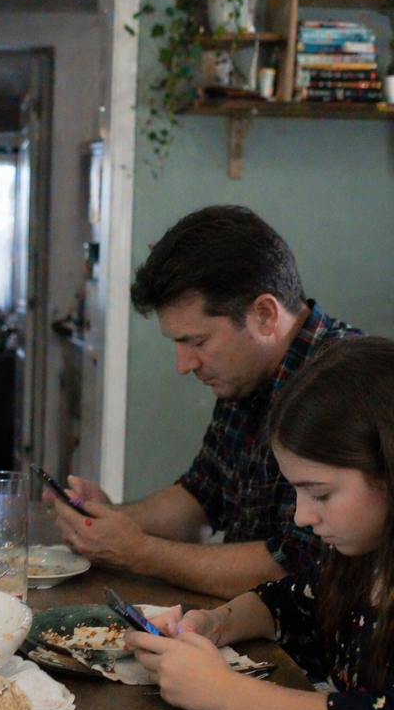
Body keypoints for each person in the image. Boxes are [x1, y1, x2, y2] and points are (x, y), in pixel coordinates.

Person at [51, 205, 360, 598]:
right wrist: (109, 521)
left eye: (197, 342)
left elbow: (295, 567)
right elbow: (202, 496)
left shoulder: (343, 386)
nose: (185, 364)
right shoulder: (246, 372)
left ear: (264, 315)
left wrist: (138, 552)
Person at [128, 337, 394, 710]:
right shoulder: (362, 556)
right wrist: (218, 622)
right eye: (295, 491)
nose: (302, 516)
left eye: (320, 493)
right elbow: (291, 600)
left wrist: (221, 691)